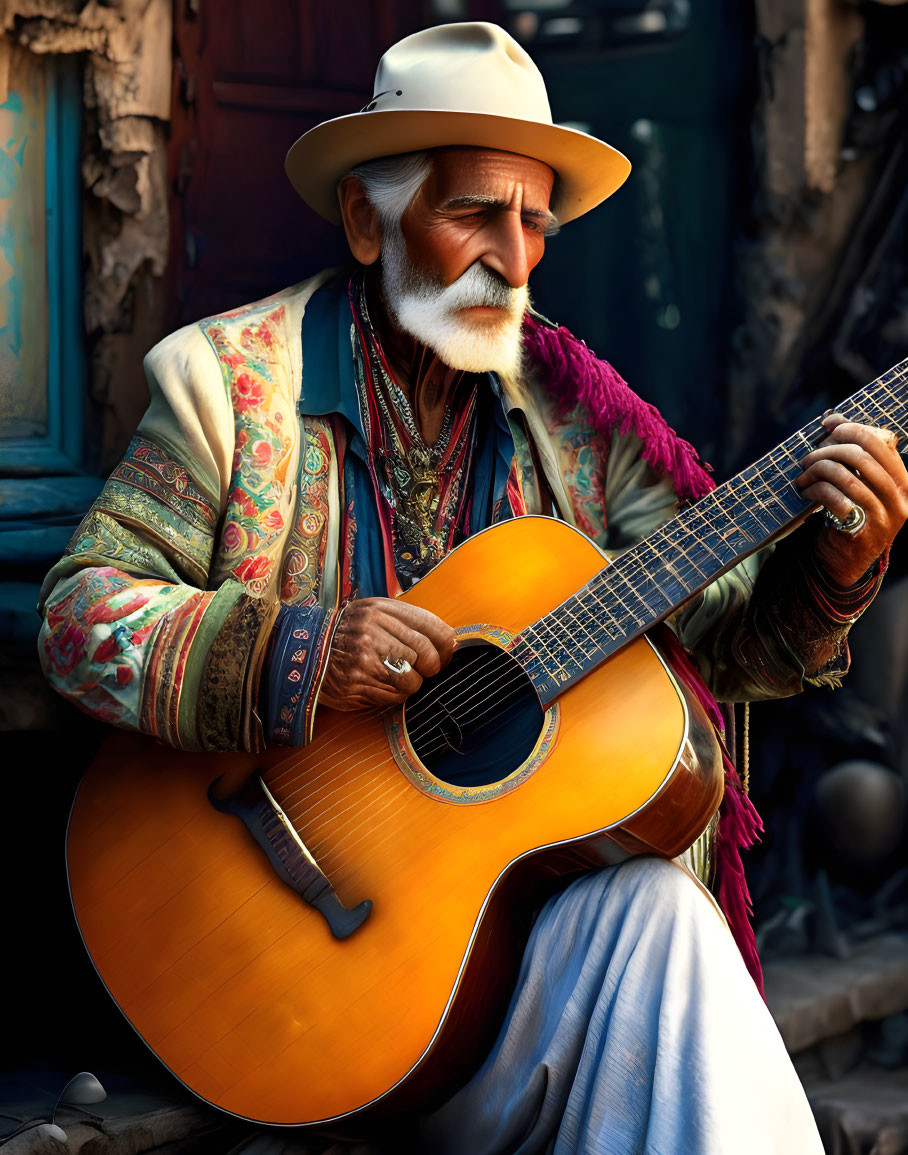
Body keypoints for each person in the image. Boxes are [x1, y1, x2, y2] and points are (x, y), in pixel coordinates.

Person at [38, 22, 908, 1154]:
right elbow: (78, 614)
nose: (515, 256)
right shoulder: (231, 385)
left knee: (661, 922)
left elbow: (730, 638)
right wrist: (292, 653)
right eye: (474, 213)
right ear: (367, 218)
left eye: (533, 221)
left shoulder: (584, 424)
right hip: (290, 982)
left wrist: (831, 573)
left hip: (493, 998)